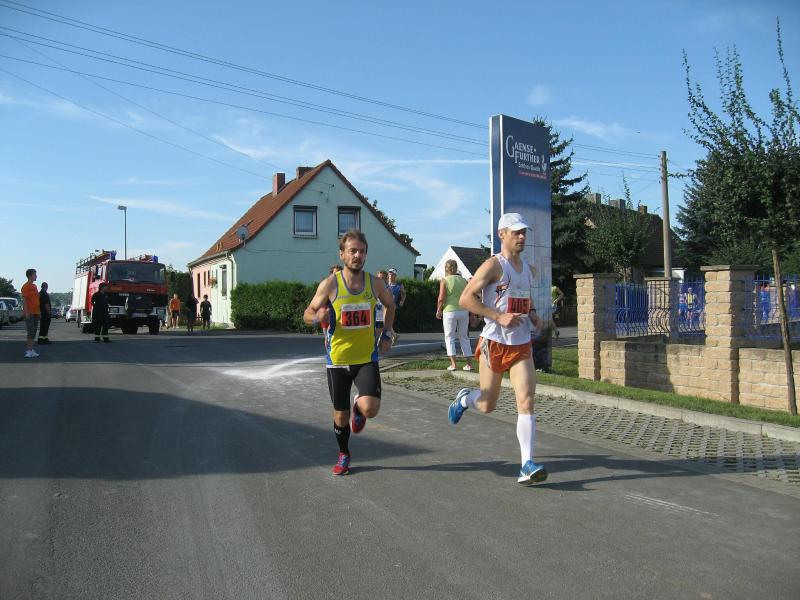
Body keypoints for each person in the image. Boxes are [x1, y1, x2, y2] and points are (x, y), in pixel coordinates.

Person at [448, 213, 547, 485]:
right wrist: (497, 316)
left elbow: (524, 299)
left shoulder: (528, 269)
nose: (522, 237)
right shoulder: (493, 265)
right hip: (494, 343)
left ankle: (526, 464)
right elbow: (466, 299)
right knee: (487, 404)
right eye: (516, 232)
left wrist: (533, 315)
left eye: (524, 232)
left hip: (521, 344)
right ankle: (464, 399)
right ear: (502, 234)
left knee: (526, 400)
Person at [303, 230, 396, 476]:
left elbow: (390, 304)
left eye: (362, 251)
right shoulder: (330, 284)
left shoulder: (375, 284)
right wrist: (317, 317)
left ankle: (359, 406)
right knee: (340, 417)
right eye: (352, 251)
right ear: (342, 254)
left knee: (370, 409)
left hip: (366, 358)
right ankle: (344, 453)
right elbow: (307, 314)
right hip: (338, 361)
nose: (357, 256)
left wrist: (387, 334)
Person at [436, 259, 473, 371]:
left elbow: (441, 297)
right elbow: (468, 295)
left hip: (450, 311)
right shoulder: (464, 280)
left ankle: (453, 364)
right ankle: (469, 364)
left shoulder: (444, 280)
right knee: (464, 337)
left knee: (449, 337)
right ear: (456, 268)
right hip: (463, 310)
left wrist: (438, 310)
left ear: (446, 269)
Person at [21, 268, 40, 358]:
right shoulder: (25, 286)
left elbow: (36, 299)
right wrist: (27, 312)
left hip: (36, 312)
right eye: (35, 274)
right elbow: (24, 300)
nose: (36, 276)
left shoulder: (35, 286)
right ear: (30, 276)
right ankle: (28, 351)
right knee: (30, 331)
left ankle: (31, 350)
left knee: (34, 332)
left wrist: (39, 312)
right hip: (29, 312)